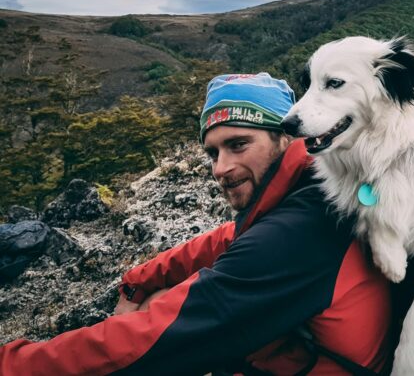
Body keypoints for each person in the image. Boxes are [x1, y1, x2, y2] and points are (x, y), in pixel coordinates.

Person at [0, 73, 392, 375]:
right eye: (212, 152)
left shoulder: (301, 232)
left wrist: (12, 364)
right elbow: (227, 238)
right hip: (317, 354)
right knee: (155, 298)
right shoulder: (312, 190)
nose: (221, 169)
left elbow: (160, 336)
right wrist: (139, 280)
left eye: (239, 145)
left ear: (286, 138)